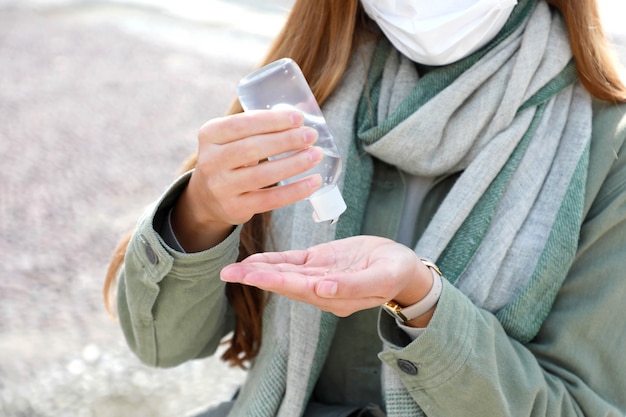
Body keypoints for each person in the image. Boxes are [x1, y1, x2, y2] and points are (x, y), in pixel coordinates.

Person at [104, 0, 626, 415]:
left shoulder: (608, 147)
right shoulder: (308, 86)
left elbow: (581, 406)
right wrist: (201, 212)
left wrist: (421, 304)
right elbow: (159, 347)